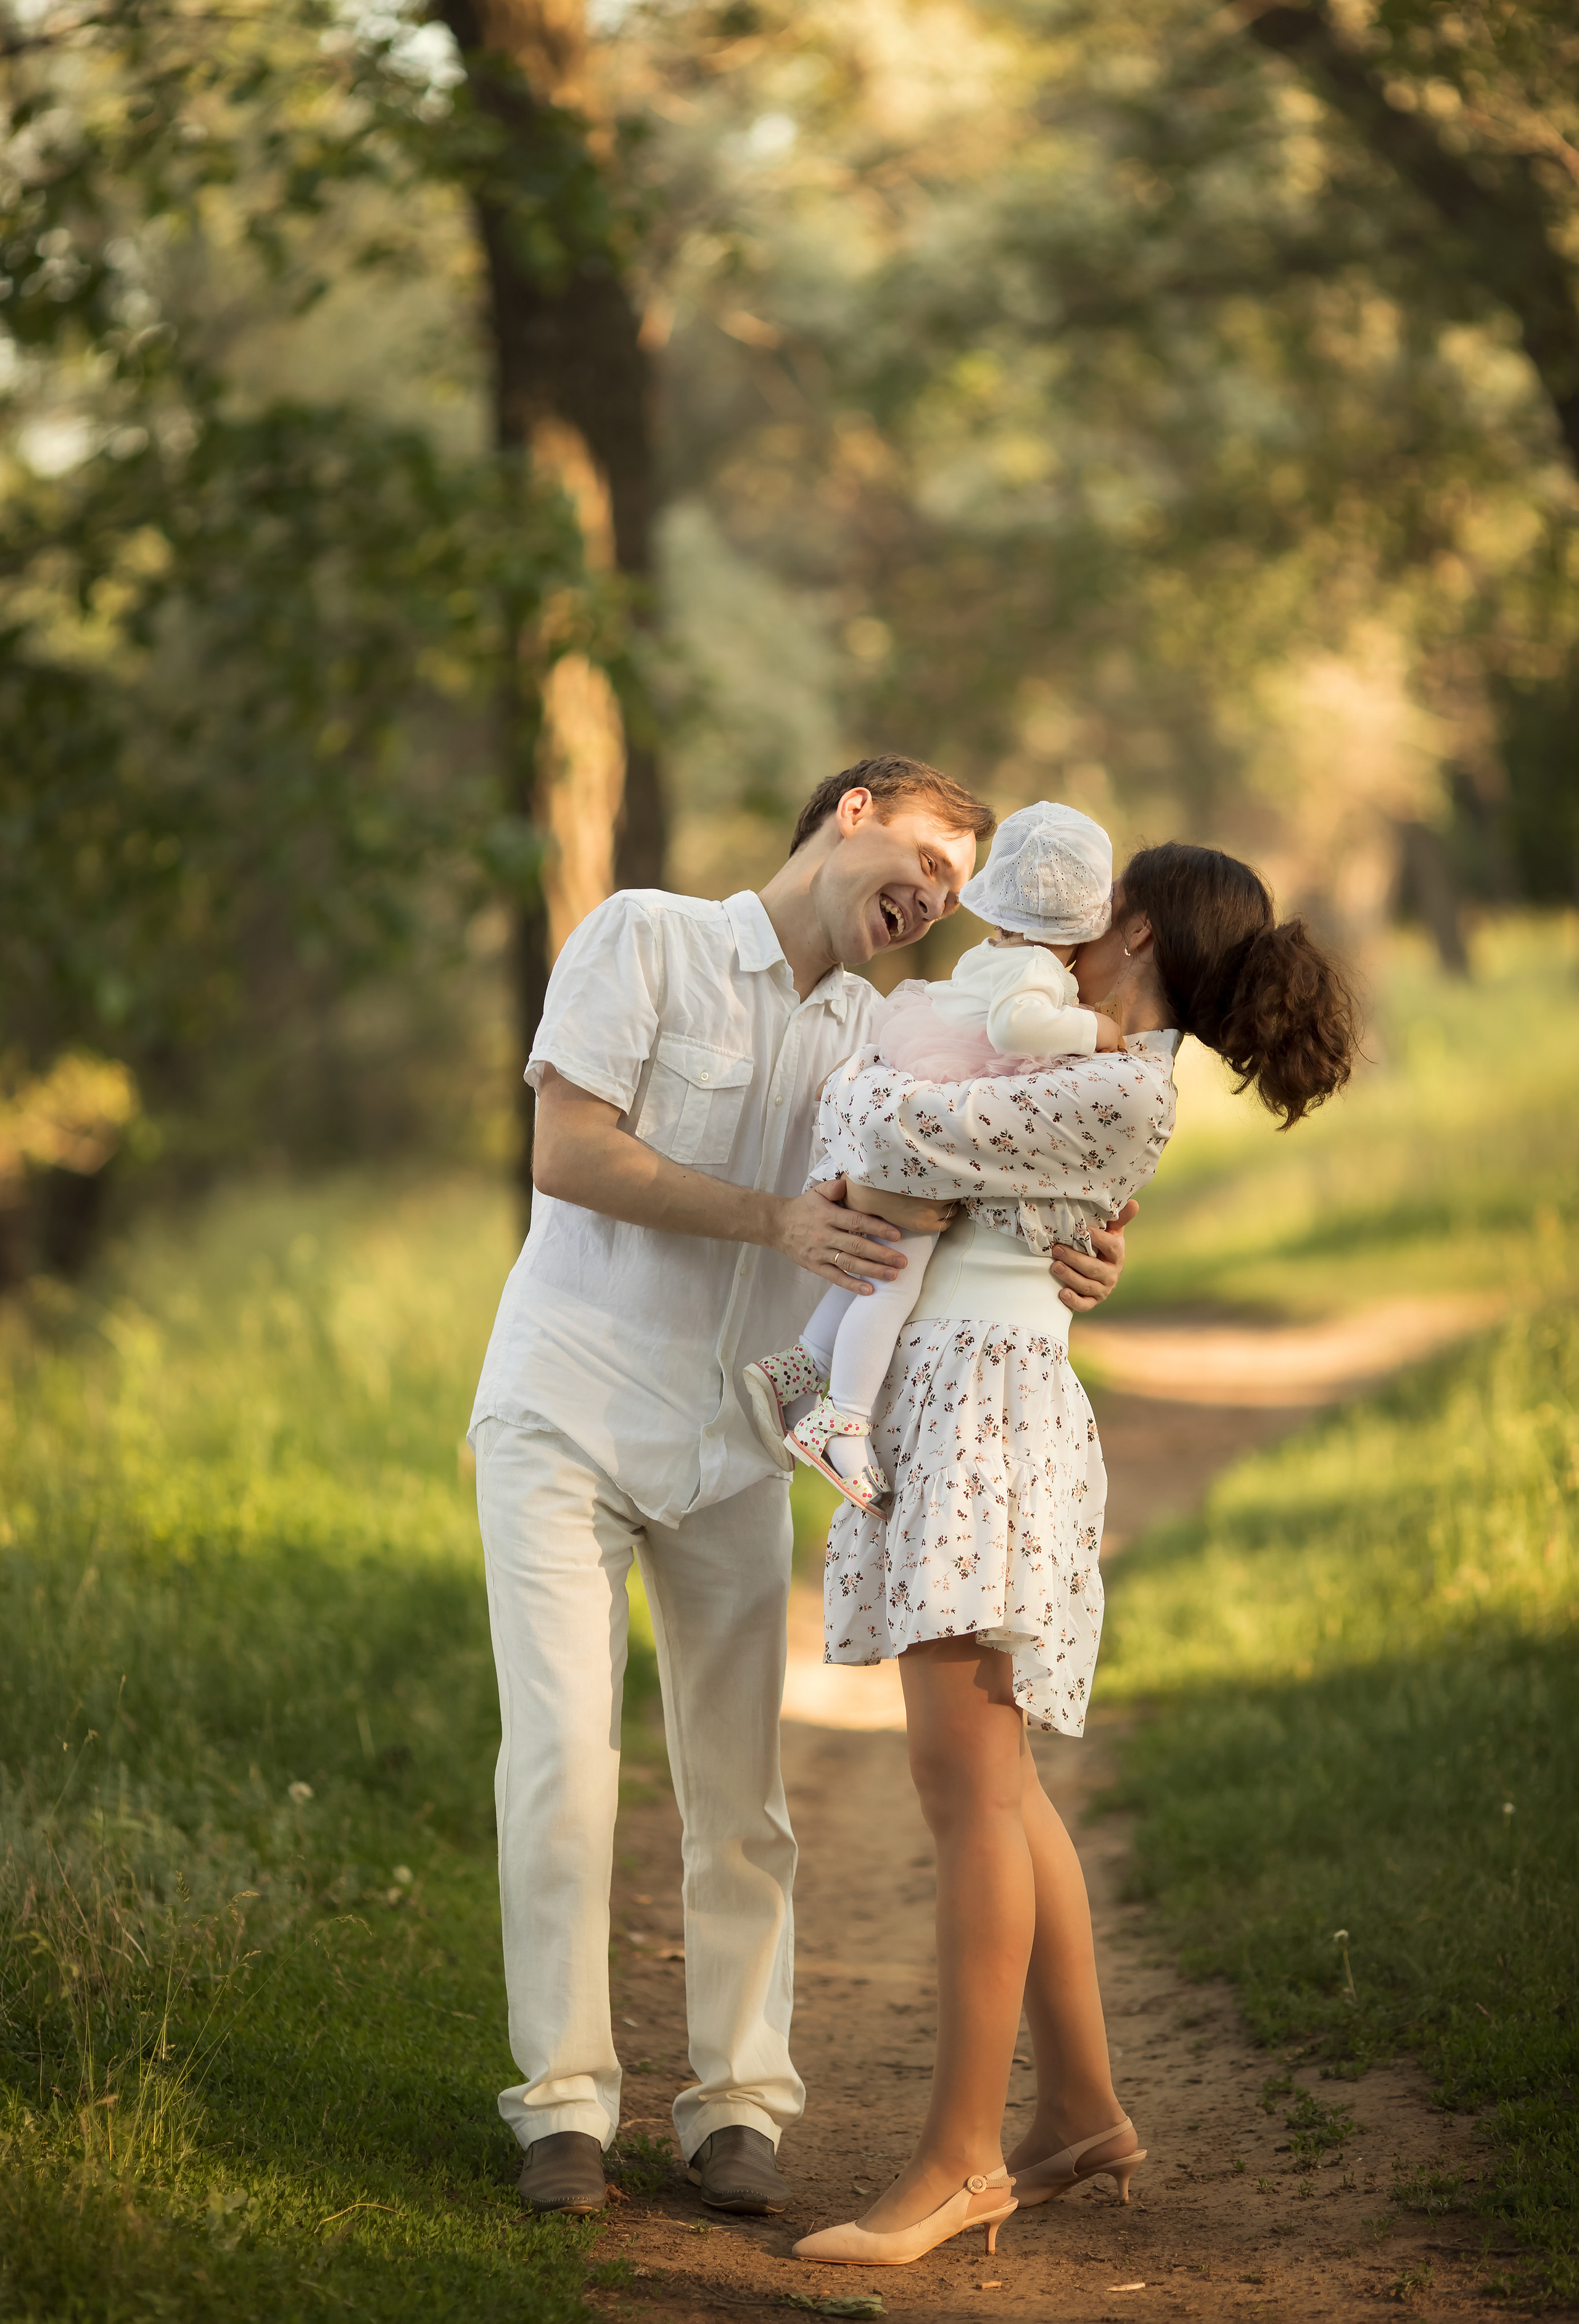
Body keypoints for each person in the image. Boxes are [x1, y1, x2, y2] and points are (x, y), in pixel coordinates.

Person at [466, 758, 1133, 2223]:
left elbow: (981, 1178)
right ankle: (563, 2107)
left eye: (960, 886)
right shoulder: (645, 936)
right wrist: (772, 1214)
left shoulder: (885, 1032)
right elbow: (567, 1147)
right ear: (849, 815)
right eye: (924, 854)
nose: (935, 896)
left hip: (736, 1440)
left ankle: (737, 2105)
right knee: (563, 1766)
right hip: (565, 1411)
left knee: (741, 1793)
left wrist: (1083, 1249)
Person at [790, 841, 1358, 2268]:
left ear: (1131, 927)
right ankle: (1081, 2110)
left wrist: (865, 1075)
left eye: (1089, 918)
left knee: (962, 1789)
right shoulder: (1087, 1062)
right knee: (992, 1780)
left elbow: (887, 1130)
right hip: (965, 1390)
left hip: (985, 1411)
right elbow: (957, 1163)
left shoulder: (1111, 1079)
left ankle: (958, 2158)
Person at [744, 802, 1123, 1513]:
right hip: (930, 1109)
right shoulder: (1039, 969)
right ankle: (842, 1420)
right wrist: (1091, 1026)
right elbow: (1015, 1029)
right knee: (894, 1274)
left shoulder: (992, 953)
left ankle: (796, 1369)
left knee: (874, 1255)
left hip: (903, 1079)